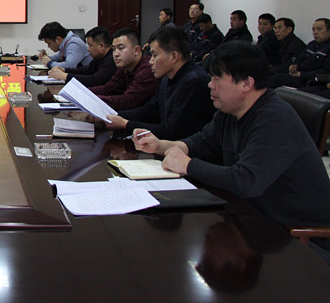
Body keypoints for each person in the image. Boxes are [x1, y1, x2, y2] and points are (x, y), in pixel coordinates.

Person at [133, 41, 330, 262]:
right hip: (253, 218)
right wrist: (161, 145)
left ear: (246, 83)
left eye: (217, 78)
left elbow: (246, 180)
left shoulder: (274, 119)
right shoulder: (231, 109)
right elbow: (204, 142)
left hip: (297, 239)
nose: (210, 85)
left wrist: (187, 165)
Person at [105, 27, 213, 140]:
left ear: (173, 56)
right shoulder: (167, 79)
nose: (150, 61)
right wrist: (114, 116)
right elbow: (150, 111)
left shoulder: (194, 82)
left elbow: (172, 132)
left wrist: (125, 124)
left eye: (155, 55)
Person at [88, 27, 160, 110]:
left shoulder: (148, 70)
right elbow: (109, 89)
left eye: (121, 48)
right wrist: (84, 93)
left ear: (136, 50)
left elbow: (127, 101)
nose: (116, 54)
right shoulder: (125, 66)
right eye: (114, 49)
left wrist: (91, 100)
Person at [270, 18, 330, 88]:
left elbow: (325, 73)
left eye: (319, 29)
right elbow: (299, 59)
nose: (315, 32)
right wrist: (293, 67)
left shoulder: (327, 48)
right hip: (300, 75)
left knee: (276, 79)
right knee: (274, 78)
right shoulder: (312, 44)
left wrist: (301, 74)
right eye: (313, 30)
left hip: (314, 81)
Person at [48, 26, 116, 87]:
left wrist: (65, 76)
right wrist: (64, 70)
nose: (88, 49)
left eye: (90, 45)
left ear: (101, 46)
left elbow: (94, 80)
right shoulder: (99, 57)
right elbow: (85, 70)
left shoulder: (112, 60)